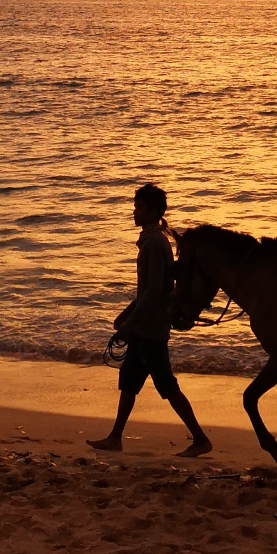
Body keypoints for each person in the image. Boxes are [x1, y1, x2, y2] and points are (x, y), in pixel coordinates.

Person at [88, 182, 213, 459]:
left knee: (166, 386)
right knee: (129, 382)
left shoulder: (155, 243)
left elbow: (156, 289)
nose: (135, 212)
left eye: (140, 208)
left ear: (153, 211)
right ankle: (115, 437)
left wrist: (130, 325)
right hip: (145, 326)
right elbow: (150, 289)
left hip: (152, 328)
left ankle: (202, 439)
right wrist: (128, 315)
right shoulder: (153, 240)